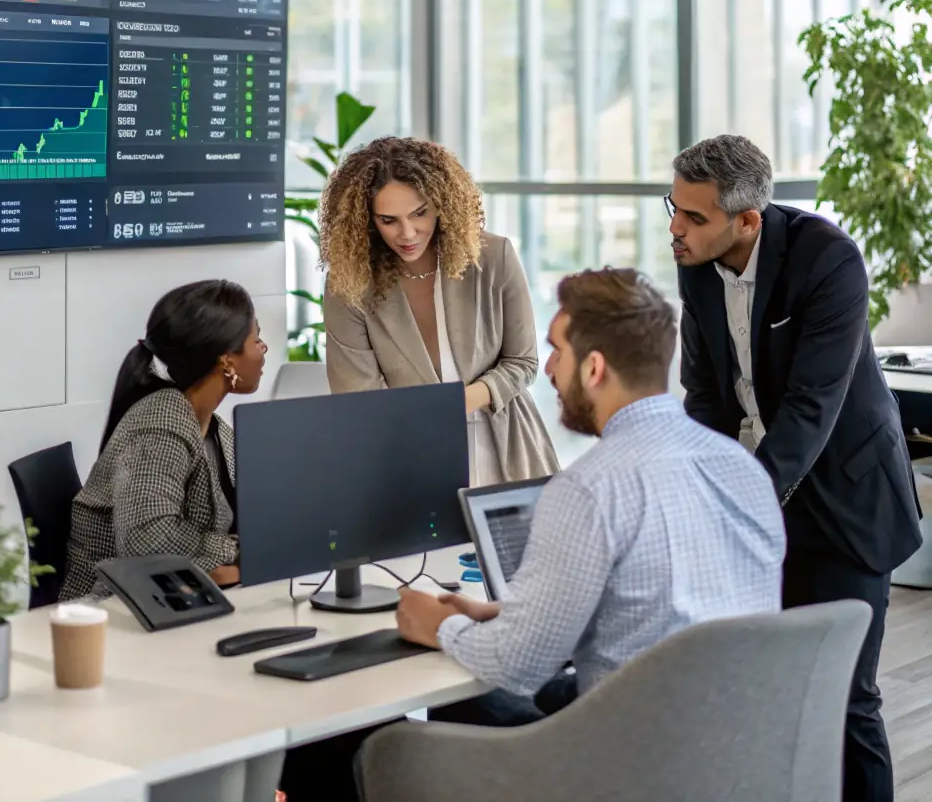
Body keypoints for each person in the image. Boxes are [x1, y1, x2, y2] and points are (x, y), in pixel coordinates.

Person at [395, 267, 785, 729]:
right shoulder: (742, 468)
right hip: (733, 745)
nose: (549, 369)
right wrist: (511, 615)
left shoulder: (588, 490)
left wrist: (435, 625)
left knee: (371, 744)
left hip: (624, 760)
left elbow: (517, 668)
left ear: (594, 367)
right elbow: (663, 610)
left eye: (557, 351)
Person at [670, 134, 922, 802]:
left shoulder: (828, 259)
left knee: (844, 697)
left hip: (846, 501)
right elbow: (705, 395)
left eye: (694, 217)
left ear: (747, 218)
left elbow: (813, 408)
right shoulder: (694, 262)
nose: (676, 228)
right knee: (766, 694)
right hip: (759, 497)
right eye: (674, 207)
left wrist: (741, 501)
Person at [320, 135, 558, 484]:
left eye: (420, 213)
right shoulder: (350, 284)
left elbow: (523, 362)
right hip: (404, 454)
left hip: (507, 446)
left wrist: (461, 402)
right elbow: (358, 396)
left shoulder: (494, 257)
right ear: (366, 221)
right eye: (389, 220)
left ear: (442, 203)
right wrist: (429, 421)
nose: (408, 233)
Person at [61, 278, 267, 600]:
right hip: (116, 612)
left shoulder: (211, 424)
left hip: (174, 598)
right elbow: (147, 541)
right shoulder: (161, 423)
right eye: (257, 339)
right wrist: (232, 554)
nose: (263, 350)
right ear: (226, 359)